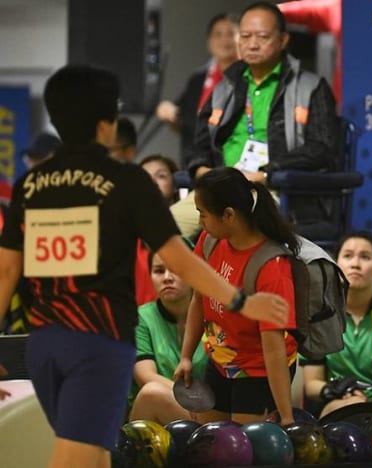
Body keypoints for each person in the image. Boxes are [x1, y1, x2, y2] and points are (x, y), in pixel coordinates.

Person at [0, 64, 289, 468]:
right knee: (75, 455)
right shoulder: (126, 181)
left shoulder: (30, 185)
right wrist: (241, 300)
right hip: (97, 342)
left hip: (46, 345)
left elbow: (6, 272)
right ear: (106, 125)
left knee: (93, 452)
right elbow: (178, 258)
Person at [173, 1, 340, 239]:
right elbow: (199, 145)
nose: (252, 44)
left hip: (274, 191)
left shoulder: (310, 88)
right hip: (219, 189)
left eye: (262, 37)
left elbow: (321, 148)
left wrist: (267, 174)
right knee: (161, 230)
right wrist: (201, 170)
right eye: (245, 36)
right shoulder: (224, 88)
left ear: (283, 40)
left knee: (238, 221)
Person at [175, 167, 298, 425]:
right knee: (211, 440)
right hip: (219, 362)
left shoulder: (272, 268)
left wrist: (286, 416)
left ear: (229, 215)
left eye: (203, 214)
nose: (200, 222)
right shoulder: (210, 241)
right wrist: (186, 357)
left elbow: (274, 349)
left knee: (242, 445)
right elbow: (199, 299)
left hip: (259, 372)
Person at [302, 231, 372, 418]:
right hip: (341, 401)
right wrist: (334, 389)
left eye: (365, 257)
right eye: (348, 256)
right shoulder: (319, 315)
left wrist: (368, 415)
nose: (355, 264)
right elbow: (311, 384)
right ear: (336, 265)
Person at [129, 249, 209, 425]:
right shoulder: (141, 318)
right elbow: (145, 376)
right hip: (172, 406)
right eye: (159, 271)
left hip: (211, 410)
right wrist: (191, 398)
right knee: (151, 393)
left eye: (175, 270)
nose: (167, 278)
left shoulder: (213, 314)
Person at [155, 13, 238, 164]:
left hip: (231, 160)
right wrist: (168, 112)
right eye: (218, 34)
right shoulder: (198, 79)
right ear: (209, 42)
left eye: (231, 34)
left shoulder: (249, 77)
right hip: (195, 160)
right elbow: (183, 121)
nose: (225, 40)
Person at [135, 155, 181, 311]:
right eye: (145, 178)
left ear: (175, 185)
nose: (153, 182)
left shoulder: (194, 225)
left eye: (161, 176)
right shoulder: (125, 230)